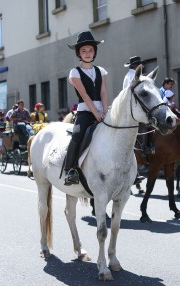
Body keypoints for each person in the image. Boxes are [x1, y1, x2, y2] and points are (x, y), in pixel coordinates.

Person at [64, 31, 108, 185]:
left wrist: (105, 111)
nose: (88, 53)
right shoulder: (74, 72)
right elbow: (84, 94)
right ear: (78, 53)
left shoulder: (100, 71)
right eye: (84, 51)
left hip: (101, 112)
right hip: (85, 112)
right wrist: (95, 113)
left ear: (95, 52)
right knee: (77, 134)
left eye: (90, 50)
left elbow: (103, 92)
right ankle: (71, 169)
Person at [123, 56, 145, 184]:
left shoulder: (131, 75)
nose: (141, 67)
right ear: (136, 66)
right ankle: (146, 147)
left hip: (131, 107)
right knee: (145, 126)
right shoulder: (133, 77)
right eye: (139, 65)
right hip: (132, 108)